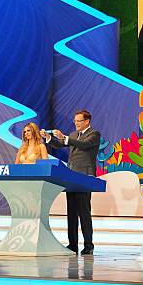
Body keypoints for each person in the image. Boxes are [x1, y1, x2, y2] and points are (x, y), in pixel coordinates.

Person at [41, 109, 100, 256]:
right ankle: (72, 244)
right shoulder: (73, 135)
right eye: (75, 121)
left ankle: (88, 245)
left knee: (84, 212)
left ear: (87, 121)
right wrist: (49, 137)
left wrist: (65, 137)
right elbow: (61, 144)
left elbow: (84, 145)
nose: (76, 123)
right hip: (71, 177)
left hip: (85, 177)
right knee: (71, 213)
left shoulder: (94, 134)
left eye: (79, 121)